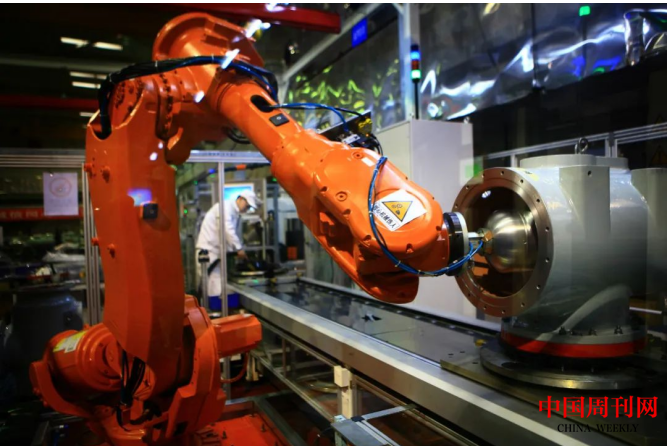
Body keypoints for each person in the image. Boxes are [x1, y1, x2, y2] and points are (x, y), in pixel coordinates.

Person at [196, 189, 261, 309]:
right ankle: (213, 315)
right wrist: (239, 249)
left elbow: (229, 235)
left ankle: (216, 313)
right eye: (247, 206)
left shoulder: (233, 212)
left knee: (216, 287)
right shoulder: (225, 207)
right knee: (214, 288)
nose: (246, 209)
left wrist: (236, 249)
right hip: (208, 253)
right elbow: (227, 230)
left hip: (215, 254)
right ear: (240, 199)